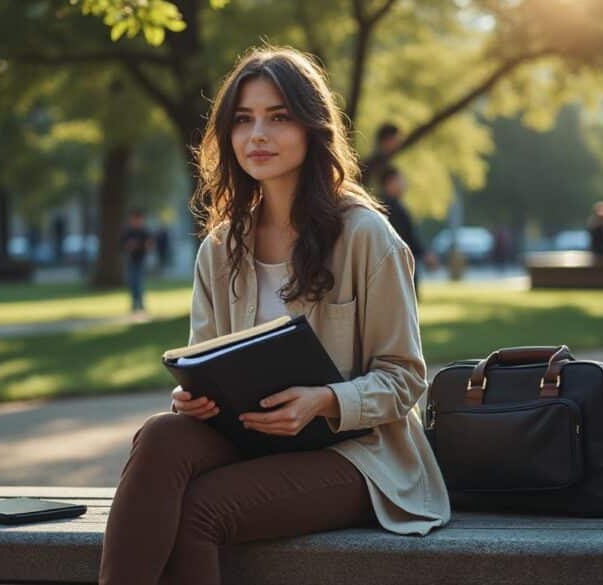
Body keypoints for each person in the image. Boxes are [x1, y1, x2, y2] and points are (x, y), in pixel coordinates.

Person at [98, 46, 450, 585]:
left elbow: (405, 378)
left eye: (278, 116)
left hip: (359, 455)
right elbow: (207, 354)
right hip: (251, 438)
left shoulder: (366, 237)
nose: (256, 134)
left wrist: (325, 400)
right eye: (243, 120)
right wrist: (193, 396)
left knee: (200, 510)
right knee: (161, 435)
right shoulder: (221, 247)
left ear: (312, 128)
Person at [378, 166, 437, 300]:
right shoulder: (389, 207)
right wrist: (425, 253)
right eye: (400, 180)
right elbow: (405, 237)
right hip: (397, 268)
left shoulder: (390, 205)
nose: (404, 184)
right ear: (390, 182)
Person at [121, 209, 154, 318]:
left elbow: (150, 245)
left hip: (141, 260)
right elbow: (123, 245)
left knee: (139, 282)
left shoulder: (144, 232)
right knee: (132, 282)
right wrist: (129, 246)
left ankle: (140, 305)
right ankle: (134, 304)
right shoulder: (128, 231)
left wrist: (142, 246)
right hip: (131, 259)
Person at [359, 122, 401, 190]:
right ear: (387, 140)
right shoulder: (375, 162)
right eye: (395, 139)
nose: (398, 143)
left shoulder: (383, 161)